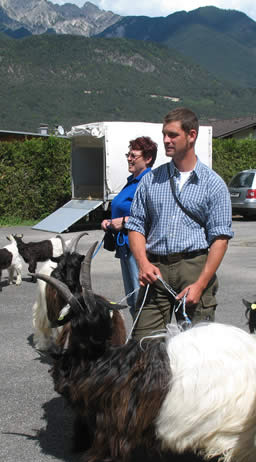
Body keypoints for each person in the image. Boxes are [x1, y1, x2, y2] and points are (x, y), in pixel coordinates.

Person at [127, 108, 233, 340]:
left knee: (199, 351)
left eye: (173, 135)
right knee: (143, 348)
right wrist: (142, 263)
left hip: (194, 268)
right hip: (156, 270)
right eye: (164, 134)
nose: (166, 140)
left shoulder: (213, 184)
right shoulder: (151, 180)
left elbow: (220, 239)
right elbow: (135, 226)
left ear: (191, 135)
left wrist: (201, 283)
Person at [100, 136, 158, 318]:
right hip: (125, 245)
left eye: (134, 155)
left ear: (148, 159)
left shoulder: (148, 181)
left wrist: (124, 221)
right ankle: (137, 338)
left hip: (138, 246)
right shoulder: (132, 180)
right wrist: (109, 221)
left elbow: (152, 214)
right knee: (133, 298)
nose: (129, 158)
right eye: (128, 154)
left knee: (139, 297)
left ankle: (143, 339)